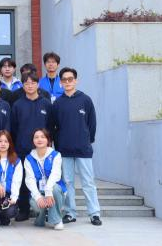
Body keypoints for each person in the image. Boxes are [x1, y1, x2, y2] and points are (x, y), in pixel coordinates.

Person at [51, 67, 102, 226]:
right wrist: (59, 143)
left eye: (70, 79)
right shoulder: (58, 103)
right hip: (64, 150)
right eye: (64, 80)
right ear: (60, 83)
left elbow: (92, 124)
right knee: (67, 183)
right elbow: (54, 126)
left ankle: (94, 214)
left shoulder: (85, 100)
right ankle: (70, 213)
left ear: (76, 80)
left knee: (88, 182)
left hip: (83, 149)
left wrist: (87, 140)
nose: (67, 82)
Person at [11, 71, 53, 220]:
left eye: (33, 83)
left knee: (44, 178)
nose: (30, 86)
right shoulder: (17, 105)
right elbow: (13, 128)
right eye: (26, 83)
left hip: (42, 150)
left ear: (38, 84)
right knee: (24, 180)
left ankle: (46, 210)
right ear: (22, 85)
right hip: (22, 149)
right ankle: (24, 210)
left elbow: (50, 126)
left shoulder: (46, 104)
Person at [24, 128, 66, 231]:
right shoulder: (28, 158)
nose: (39, 139)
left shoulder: (56, 155)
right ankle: (40, 219)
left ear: (48, 140)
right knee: (36, 204)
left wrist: (48, 191)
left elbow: (56, 174)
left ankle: (56, 220)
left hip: (53, 189)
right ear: (33, 140)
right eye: (36, 137)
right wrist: (38, 197)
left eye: (43, 137)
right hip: (39, 191)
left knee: (55, 189)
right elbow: (30, 180)